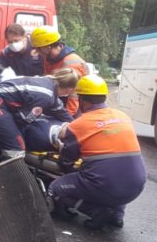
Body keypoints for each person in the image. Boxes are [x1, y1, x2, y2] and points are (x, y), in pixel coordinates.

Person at [49, 75, 147, 229]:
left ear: (83, 101)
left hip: (106, 186)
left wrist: (70, 165)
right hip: (136, 185)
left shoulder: (78, 125)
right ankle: (116, 216)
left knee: (55, 189)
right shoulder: (123, 116)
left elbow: (66, 161)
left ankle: (97, 212)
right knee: (119, 175)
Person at [0, 68, 78, 164]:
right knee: (16, 147)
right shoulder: (46, 96)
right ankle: (7, 178)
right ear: (69, 90)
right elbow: (23, 120)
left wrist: (76, 126)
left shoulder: (47, 84)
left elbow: (61, 112)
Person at [30, 25, 89, 115]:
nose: (38, 53)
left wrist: (68, 117)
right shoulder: (49, 59)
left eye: (39, 50)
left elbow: (73, 96)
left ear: (47, 48)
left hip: (77, 106)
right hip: (61, 98)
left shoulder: (71, 63)